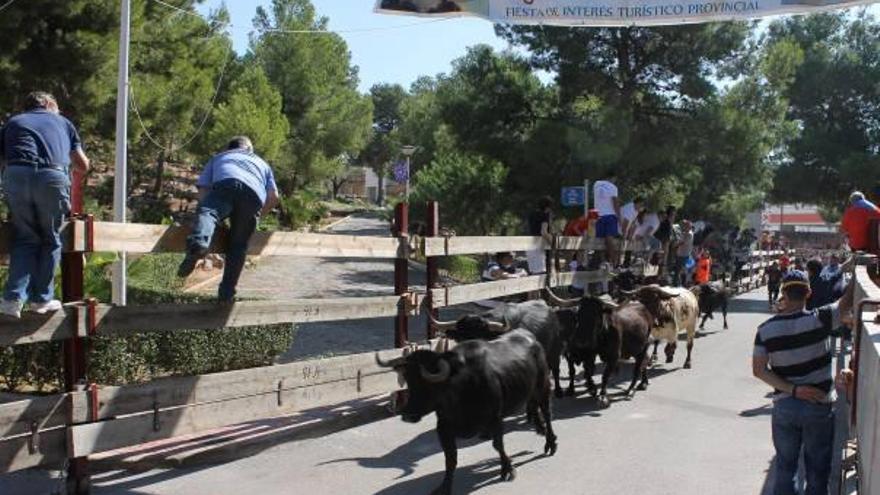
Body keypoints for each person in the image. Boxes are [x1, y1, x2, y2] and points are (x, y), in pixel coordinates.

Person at [752, 270, 854, 495]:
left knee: (785, 468)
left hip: (785, 407)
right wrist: (858, 268)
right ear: (808, 292)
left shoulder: (765, 330)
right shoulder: (822, 318)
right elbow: (846, 300)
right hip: (819, 407)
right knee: (818, 470)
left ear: (783, 294)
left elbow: (759, 370)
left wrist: (794, 390)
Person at [0, 92, 90, 319]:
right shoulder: (63, 123)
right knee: (51, 238)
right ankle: (41, 299)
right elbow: (83, 164)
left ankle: (11, 300)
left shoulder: (13, 122)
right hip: (51, 177)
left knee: (25, 237)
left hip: (17, 175)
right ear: (50, 105)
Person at [178, 136, 280, 302]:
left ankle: (199, 245)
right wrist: (257, 216)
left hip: (226, 185)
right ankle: (226, 294)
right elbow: (274, 197)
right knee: (239, 246)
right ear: (249, 150)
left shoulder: (219, 158)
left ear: (228, 149)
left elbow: (203, 190)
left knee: (208, 212)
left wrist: (210, 218)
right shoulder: (262, 163)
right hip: (253, 196)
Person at [593, 173, 621, 266]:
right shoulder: (613, 187)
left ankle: (602, 261)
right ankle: (614, 261)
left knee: (600, 239)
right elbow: (615, 202)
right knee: (609, 238)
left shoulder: (596, 184)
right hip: (610, 215)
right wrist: (619, 216)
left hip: (598, 215)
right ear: (613, 177)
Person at [526, 196, 553, 274]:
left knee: (532, 272)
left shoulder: (531, 214)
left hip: (530, 244)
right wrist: (553, 243)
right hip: (540, 246)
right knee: (541, 274)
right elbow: (543, 232)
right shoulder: (545, 215)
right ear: (548, 207)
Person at [654, 206, 677, 278]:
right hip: (663, 241)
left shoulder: (669, 221)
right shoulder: (666, 220)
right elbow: (662, 231)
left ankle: (660, 274)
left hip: (666, 241)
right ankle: (659, 274)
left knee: (664, 259)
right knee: (662, 258)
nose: (674, 215)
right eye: (673, 212)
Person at [673, 219, 694, 287]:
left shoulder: (689, 234)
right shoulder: (684, 233)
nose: (684, 227)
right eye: (684, 226)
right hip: (680, 253)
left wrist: (675, 245)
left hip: (685, 255)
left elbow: (682, 242)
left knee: (682, 270)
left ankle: (682, 284)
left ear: (689, 227)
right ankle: (676, 284)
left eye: (686, 226)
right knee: (677, 270)